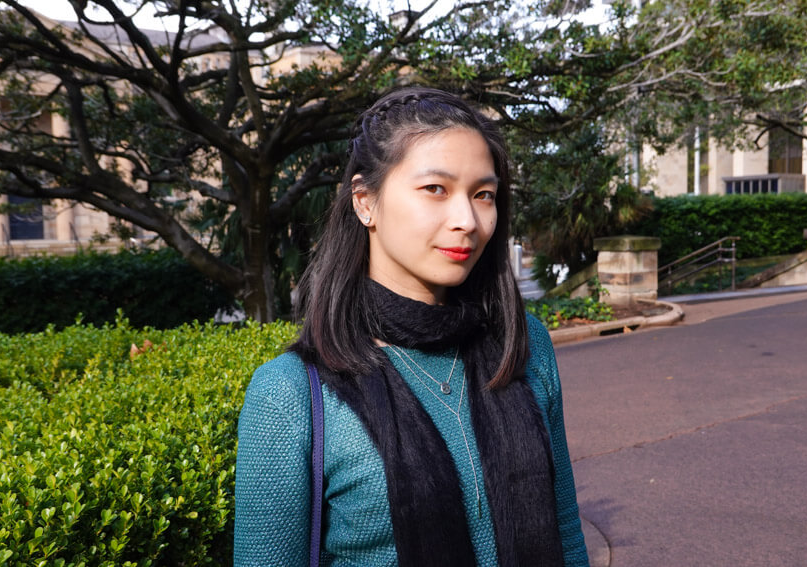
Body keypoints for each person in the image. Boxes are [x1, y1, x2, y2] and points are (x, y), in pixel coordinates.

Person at [234, 86, 590, 566]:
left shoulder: (524, 346)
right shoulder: (291, 394)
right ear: (364, 201)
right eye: (435, 189)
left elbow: (566, 532)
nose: (467, 219)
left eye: (483, 195)